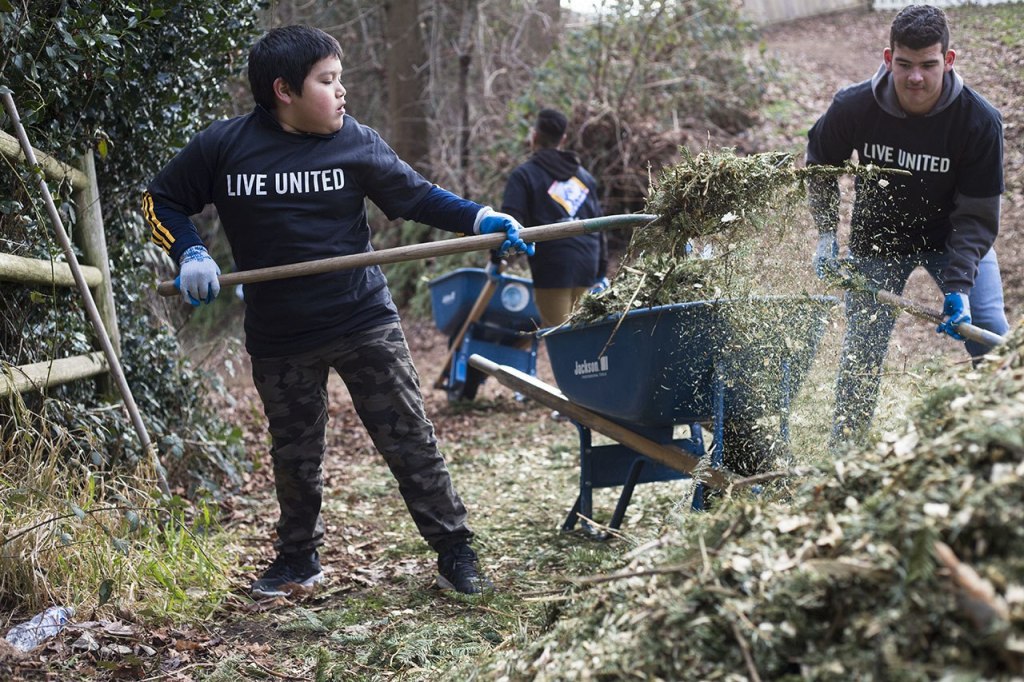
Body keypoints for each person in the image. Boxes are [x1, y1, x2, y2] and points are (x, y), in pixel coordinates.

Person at [143, 25, 533, 597]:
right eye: (327, 81)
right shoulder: (224, 146)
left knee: (409, 438)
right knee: (294, 453)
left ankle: (456, 551)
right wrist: (189, 250)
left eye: (340, 79)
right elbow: (162, 198)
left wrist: (479, 220)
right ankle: (298, 559)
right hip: (280, 334)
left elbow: (416, 196)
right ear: (284, 90)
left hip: (361, 319)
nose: (342, 92)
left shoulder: (356, 142)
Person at [806, 4, 1009, 449]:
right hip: (878, 241)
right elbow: (819, 168)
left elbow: (976, 217)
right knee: (861, 350)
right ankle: (844, 456)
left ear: (948, 61)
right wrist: (825, 235)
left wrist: (958, 285)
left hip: (954, 239)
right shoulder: (853, 107)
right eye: (904, 65)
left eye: (928, 65)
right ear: (887, 58)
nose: (915, 78)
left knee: (992, 334)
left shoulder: (979, 120)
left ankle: (1007, 434)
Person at [500, 108, 607, 329]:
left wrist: (496, 261)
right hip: (588, 263)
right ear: (563, 139)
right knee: (583, 339)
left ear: (534, 137)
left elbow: (508, 223)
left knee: (561, 338)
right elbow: (600, 225)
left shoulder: (524, 175)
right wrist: (602, 272)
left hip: (552, 269)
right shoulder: (585, 177)